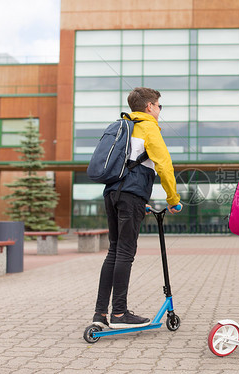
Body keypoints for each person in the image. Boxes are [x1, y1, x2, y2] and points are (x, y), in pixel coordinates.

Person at [92, 87, 182, 329]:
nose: (160, 111)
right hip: (130, 195)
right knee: (125, 252)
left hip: (112, 193)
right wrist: (173, 199)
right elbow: (164, 166)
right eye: (159, 106)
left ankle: (101, 313)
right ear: (149, 107)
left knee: (114, 251)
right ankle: (119, 313)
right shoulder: (149, 128)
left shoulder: (123, 126)